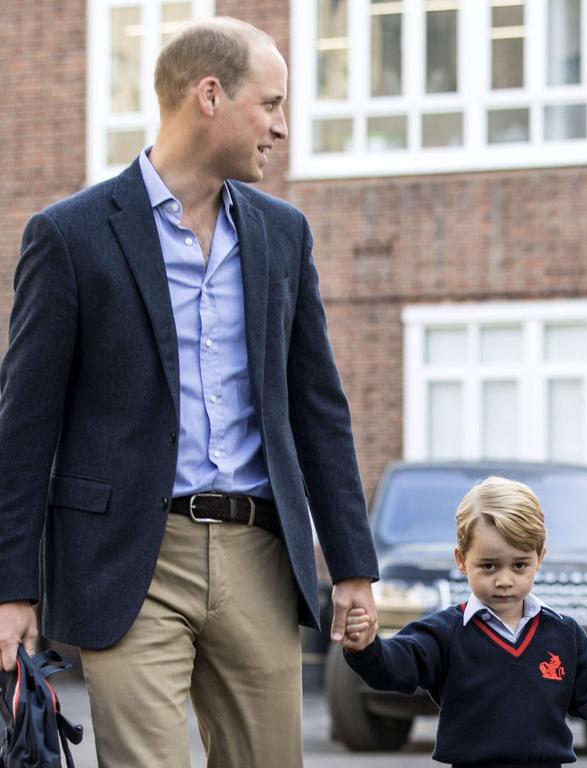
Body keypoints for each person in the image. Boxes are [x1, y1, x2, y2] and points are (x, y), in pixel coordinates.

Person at [0, 17, 378, 767]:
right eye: (269, 104)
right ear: (210, 95)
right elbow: (23, 429)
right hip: (129, 561)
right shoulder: (70, 236)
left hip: (259, 555)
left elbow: (318, 409)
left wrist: (354, 566)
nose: (282, 126)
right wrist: (12, 590)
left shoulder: (282, 236)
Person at [343, 476, 587, 767]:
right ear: (462, 560)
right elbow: (393, 668)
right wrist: (365, 647)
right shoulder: (445, 632)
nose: (505, 580)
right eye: (489, 566)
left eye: (519, 565)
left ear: (540, 558)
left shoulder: (564, 635)